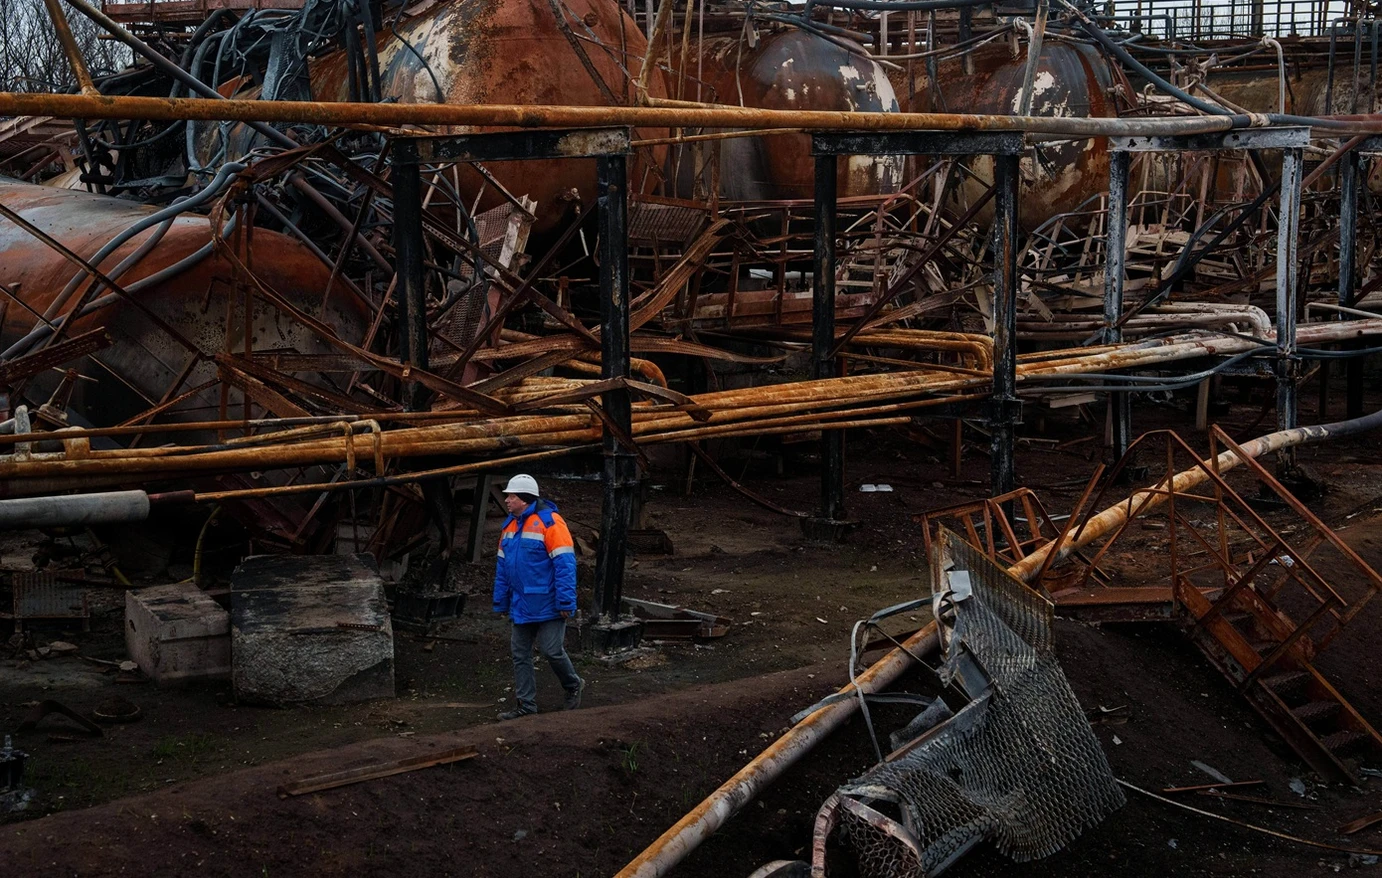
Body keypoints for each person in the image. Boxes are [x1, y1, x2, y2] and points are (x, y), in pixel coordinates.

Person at [492, 474, 585, 720]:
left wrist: (566, 602)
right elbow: (502, 567)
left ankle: (572, 684)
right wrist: (501, 600)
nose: (507, 500)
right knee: (519, 653)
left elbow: (565, 564)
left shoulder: (551, 523)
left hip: (548, 603)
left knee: (552, 650)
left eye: (511, 496)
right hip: (521, 604)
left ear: (524, 499)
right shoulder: (509, 526)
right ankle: (526, 706)